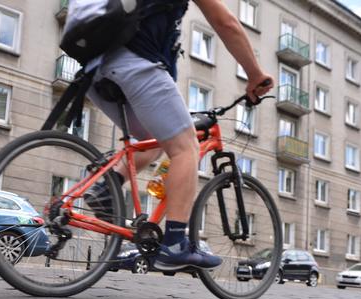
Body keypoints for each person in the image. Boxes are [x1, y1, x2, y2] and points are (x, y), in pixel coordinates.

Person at [83, 0, 274, 272]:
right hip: (138, 62)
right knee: (187, 147)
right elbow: (225, 22)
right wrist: (255, 73)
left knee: (157, 138)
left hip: (96, 65)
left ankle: (106, 186)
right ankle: (174, 243)